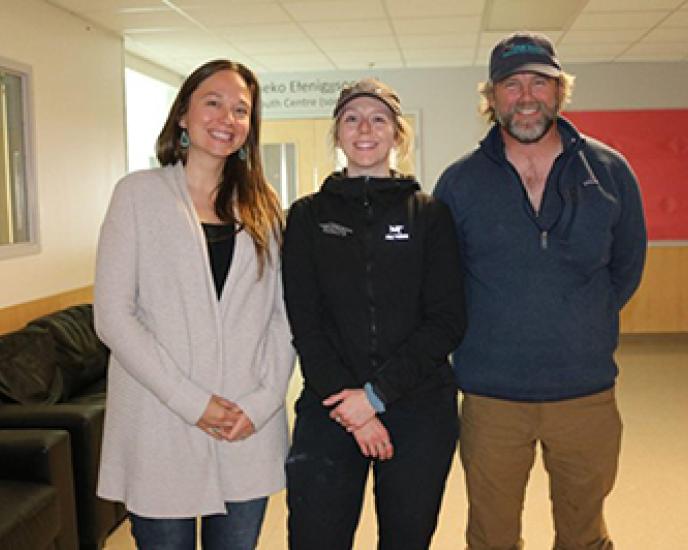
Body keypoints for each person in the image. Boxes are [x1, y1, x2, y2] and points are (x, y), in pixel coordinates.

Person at [434, 32, 647, 550]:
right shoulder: (459, 183)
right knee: (492, 536)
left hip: (586, 392)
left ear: (559, 91)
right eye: (511, 84)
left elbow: (627, 266)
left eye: (539, 82)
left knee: (584, 534)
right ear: (492, 96)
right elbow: (443, 281)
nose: (526, 96)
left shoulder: (610, 171)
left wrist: (583, 317)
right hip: (490, 397)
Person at [94, 59, 295, 550]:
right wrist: (192, 402)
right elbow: (113, 317)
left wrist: (263, 403)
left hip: (243, 426)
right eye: (214, 102)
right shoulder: (138, 195)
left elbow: (282, 317)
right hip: (160, 423)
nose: (227, 117)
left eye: (241, 109)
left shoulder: (264, 204)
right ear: (183, 113)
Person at [282, 77, 465, 550]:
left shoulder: (430, 215)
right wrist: (355, 409)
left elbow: (447, 320)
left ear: (398, 134)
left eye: (379, 118)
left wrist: (376, 397)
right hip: (331, 406)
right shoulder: (306, 217)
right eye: (352, 118)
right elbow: (305, 321)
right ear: (338, 134)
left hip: (419, 407)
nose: (365, 128)